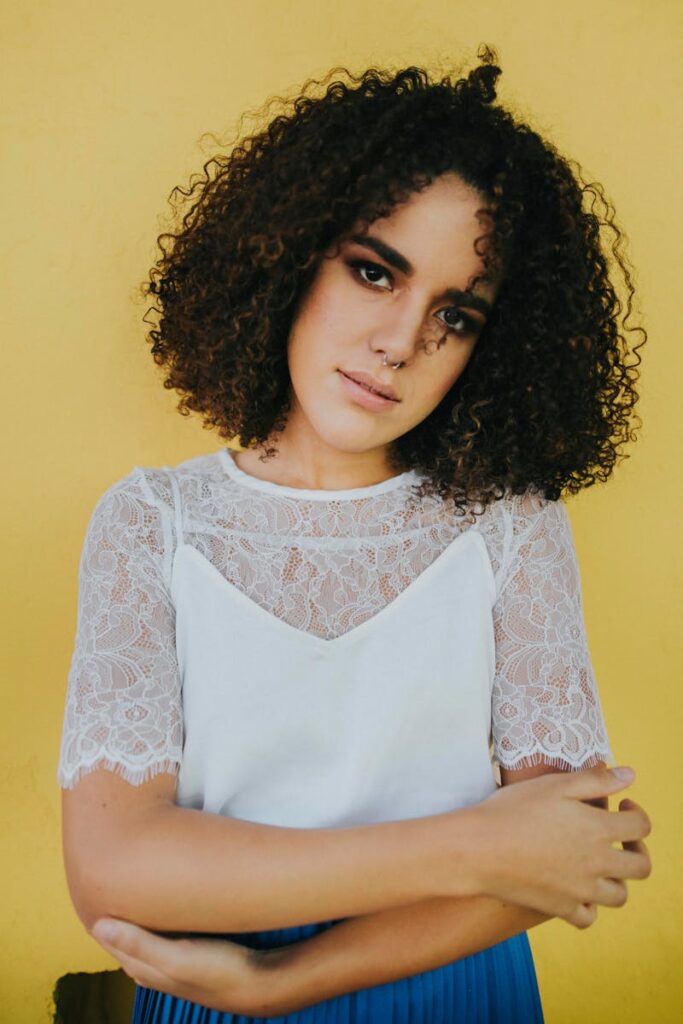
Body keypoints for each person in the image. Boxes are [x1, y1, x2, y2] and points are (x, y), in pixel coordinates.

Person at [58, 47, 652, 1023]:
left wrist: (283, 982)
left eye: (454, 315)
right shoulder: (150, 525)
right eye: (375, 271)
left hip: (453, 991)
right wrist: (479, 845)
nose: (399, 342)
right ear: (287, 250)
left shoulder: (509, 525)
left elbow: (564, 853)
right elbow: (117, 873)